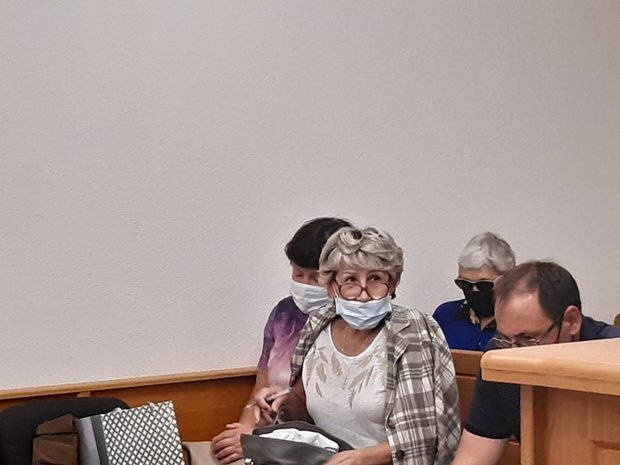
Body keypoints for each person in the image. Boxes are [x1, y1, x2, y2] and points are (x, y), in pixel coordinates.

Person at [255, 226, 461, 465]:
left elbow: (425, 436)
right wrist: (280, 401)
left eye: (375, 279)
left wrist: (363, 458)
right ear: (331, 287)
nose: (363, 295)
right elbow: (303, 407)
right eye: (351, 280)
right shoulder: (317, 324)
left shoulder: (411, 330)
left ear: (393, 284)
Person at [211, 216, 352, 464]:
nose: (305, 284)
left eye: (315, 277)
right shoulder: (284, 314)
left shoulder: (352, 325)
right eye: (298, 273)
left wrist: (259, 444)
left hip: (321, 449)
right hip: (272, 439)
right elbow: (259, 391)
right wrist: (245, 430)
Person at [451, 261, 620, 465]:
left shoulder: (612, 359)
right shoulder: (500, 355)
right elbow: (473, 456)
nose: (513, 354)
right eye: (504, 338)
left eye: (527, 339)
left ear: (571, 321)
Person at [433, 232, 515, 351]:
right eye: (465, 283)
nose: (474, 291)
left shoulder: (523, 323)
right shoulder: (446, 315)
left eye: (483, 285)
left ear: (508, 279)